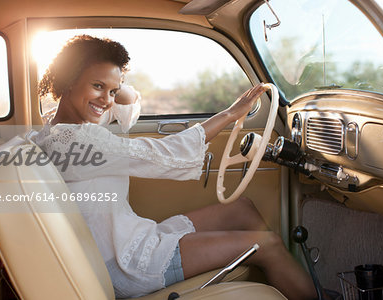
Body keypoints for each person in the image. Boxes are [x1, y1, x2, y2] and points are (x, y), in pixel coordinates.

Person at [34, 35, 317, 300]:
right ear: (69, 79)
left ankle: (277, 278)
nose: (107, 100)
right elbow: (165, 154)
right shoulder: (82, 141)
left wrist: (110, 85)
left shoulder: (58, 127)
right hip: (126, 264)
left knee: (241, 208)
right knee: (267, 244)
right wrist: (229, 115)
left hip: (127, 240)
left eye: (112, 90)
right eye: (97, 86)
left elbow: (126, 106)